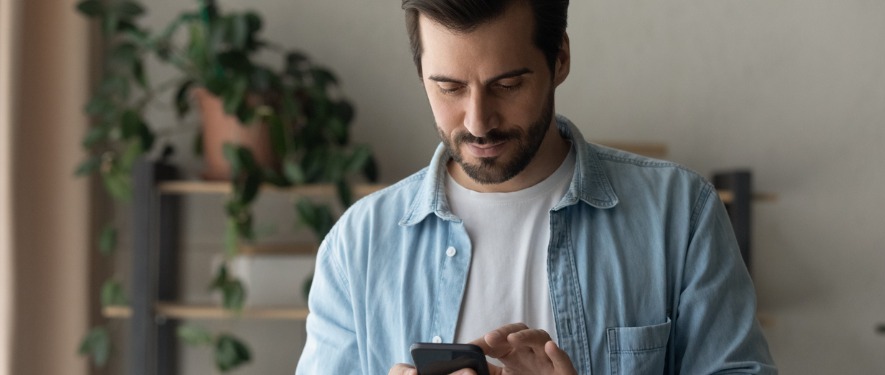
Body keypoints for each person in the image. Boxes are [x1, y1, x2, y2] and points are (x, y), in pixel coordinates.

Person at [296, 0, 777, 374]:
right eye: (449, 88)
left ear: (560, 58)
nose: (478, 121)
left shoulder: (679, 215)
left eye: (507, 85)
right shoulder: (354, 246)